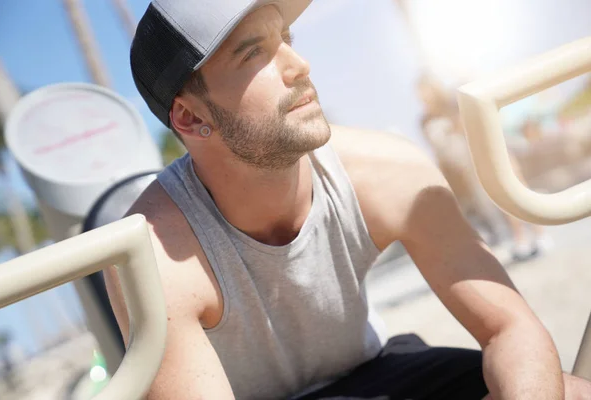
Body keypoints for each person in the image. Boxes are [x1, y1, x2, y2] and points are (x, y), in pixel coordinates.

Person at [105, 1, 591, 399]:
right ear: (189, 119)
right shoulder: (152, 255)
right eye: (253, 54)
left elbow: (510, 327)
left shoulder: (386, 171)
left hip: (380, 372)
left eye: (285, 41)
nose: (299, 66)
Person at [416, 74, 549, 262]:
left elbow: (471, 121)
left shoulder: (452, 104)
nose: (423, 98)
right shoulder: (426, 119)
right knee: (501, 197)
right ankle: (521, 238)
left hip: (488, 145)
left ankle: (540, 234)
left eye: (425, 92)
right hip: (471, 160)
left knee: (518, 187)